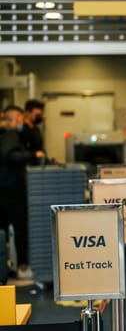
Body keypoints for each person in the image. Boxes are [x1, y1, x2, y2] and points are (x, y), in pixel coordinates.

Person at [0, 105, 45, 279]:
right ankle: (23, 267)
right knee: (20, 228)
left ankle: (4, 268)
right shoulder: (11, 136)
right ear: (15, 118)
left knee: (2, 230)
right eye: (19, 117)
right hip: (13, 189)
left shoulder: (4, 135)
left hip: (3, 189)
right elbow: (10, 155)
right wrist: (33, 155)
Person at [20, 99, 45, 164]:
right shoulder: (21, 129)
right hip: (25, 163)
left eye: (40, 115)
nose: (39, 117)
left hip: (36, 163)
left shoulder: (36, 129)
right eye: (37, 115)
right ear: (28, 113)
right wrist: (34, 154)